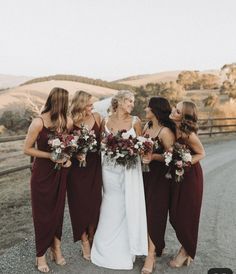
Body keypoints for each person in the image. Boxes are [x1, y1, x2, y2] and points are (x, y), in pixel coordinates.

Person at [91, 90, 148, 270]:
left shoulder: (135, 121)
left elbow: (141, 145)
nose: (132, 104)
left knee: (128, 202)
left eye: (133, 101)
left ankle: (128, 247)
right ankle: (104, 247)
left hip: (129, 169)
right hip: (109, 169)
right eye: (129, 101)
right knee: (110, 203)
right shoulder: (105, 121)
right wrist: (112, 150)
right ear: (119, 101)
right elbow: (102, 144)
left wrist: (129, 150)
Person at [24, 87, 73, 273]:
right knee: (42, 214)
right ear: (54, 101)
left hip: (60, 173)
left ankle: (56, 249)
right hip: (42, 174)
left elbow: (69, 145)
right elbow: (27, 149)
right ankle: (40, 256)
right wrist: (49, 156)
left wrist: (67, 157)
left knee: (58, 212)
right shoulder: (38, 122)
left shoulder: (67, 121)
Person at [141, 97, 176, 274]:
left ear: (155, 110)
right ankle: (150, 247)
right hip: (144, 176)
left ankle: (151, 255)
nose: (145, 108)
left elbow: (172, 157)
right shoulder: (147, 127)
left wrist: (154, 157)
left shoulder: (165, 132)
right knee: (144, 212)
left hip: (160, 178)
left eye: (148, 106)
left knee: (155, 214)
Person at [168, 100, 205, 267]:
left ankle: (185, 251)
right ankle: (187, 249)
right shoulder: (171, 127)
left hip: (191, 177)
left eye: (177, 110)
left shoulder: (188, 134)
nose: (173, 110)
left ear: (183, 117)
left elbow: (201, 153)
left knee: (186, 215)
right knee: (175, 214)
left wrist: (184, 164)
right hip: (179, 176)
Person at [67, 90, 102, 260]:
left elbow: (104, 141)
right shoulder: (69, 121)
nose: (92, 107)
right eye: (89, 104)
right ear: (80, 104)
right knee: (78, 204)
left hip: (95, 166)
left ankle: (93, 235)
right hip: (76, 170)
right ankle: (84, 241)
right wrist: (75, 154)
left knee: (95, 203)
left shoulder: (97, 117)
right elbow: (64, 144)